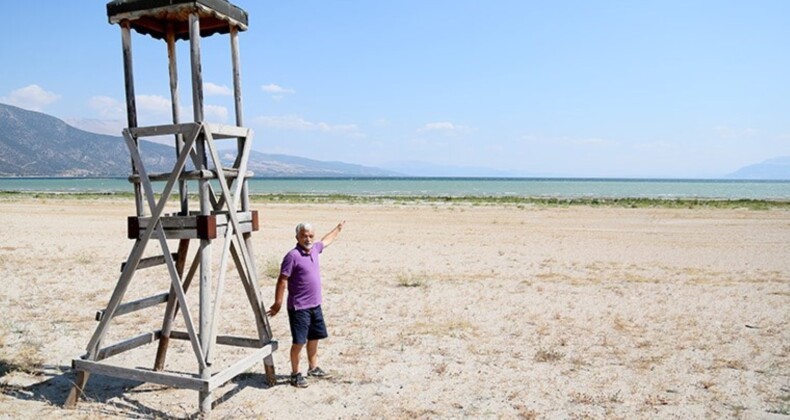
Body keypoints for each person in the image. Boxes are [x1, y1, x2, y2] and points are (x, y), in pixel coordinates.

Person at [267, 221, 345, 388]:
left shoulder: (315, 249)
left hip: (315, 305)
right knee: (299, 342)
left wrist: (338, 229)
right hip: (299, 307)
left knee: (314, 338)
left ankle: (313, 368)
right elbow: (282, 280)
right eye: (304, 236)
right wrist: (278, 303)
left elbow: (326, 241)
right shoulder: (292, 256)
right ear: (297, 237)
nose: (308, 239)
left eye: (310, 236)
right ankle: (295, 374)